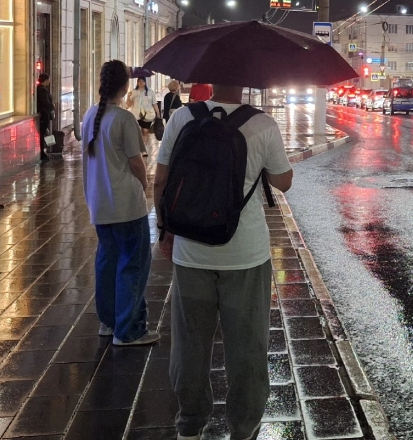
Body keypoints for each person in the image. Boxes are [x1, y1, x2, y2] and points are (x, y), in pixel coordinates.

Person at [154, 82, 294, 440]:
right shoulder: (262, 125)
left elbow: (161, 182)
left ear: (210, 80)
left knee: (189, 344)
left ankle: (189, 425)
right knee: (247, 349)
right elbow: (283, 181)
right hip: (246, 255)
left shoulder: (182, 117)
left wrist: (166, 232)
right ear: (246, 81)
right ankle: (243, 430)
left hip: (190, 250)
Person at [82, 60, 160, 348]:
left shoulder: (91, 115)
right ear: (125, 86)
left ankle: (109, 321)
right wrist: (145, 183)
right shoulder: (124, 119)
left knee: (107, 262)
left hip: (100, 202)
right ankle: (129, 329)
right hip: (125, 204)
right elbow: (135, 162)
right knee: (134, 264)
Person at [127, 76, 157, 156]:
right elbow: (129, 104)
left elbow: (154, 103)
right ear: (137, 82)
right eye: (139, 81)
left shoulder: (150, 92)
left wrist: (158, 114)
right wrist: (128, 97)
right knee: (137, 132)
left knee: (145, 131)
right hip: (136, 114)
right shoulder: (133, 92)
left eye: (142, 81)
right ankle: (137, 149)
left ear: (145, 82)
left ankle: (144, 149)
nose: (141, 83)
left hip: (147, 115)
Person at [36, 72, 55, 162]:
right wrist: (52, 106)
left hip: (44, 115)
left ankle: (45, 151)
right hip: (44, 116)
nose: (49, 82)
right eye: (49, 80)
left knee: (45, 133)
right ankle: (43, 152)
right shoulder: (42, 90)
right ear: (46, 80)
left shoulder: (41, 89)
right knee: (43, 134)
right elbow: (45, 103)